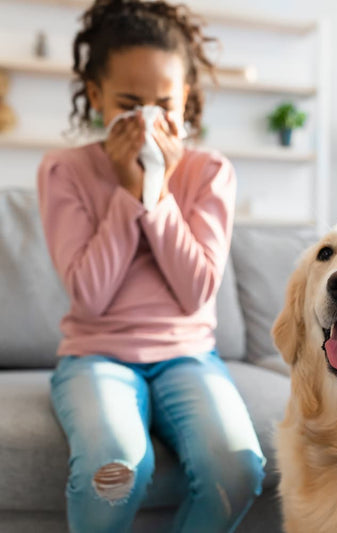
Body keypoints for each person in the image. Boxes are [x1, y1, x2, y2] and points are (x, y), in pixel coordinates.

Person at [37, 1, 265, 531]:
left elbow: (197, 291)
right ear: (96, 97)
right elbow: (89, 295)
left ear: (187, 100)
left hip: (188, 356)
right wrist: (125, 193)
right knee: (114, 467)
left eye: (165, 103)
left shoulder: (210, 172)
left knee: (236, 468)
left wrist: (155, 195)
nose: (148, 118)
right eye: (129, 102)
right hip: (97, 355)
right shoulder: (64, 171)